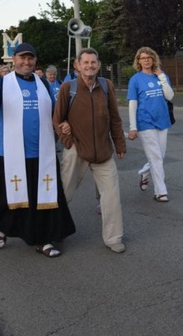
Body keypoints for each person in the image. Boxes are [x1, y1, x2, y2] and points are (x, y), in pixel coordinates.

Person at [0, 43, 75, 258]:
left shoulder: (43, 82)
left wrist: (64, 124)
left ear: (35, 60)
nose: (26, 62)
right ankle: (1, 229)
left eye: (30, 58)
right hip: (11, 156)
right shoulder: (1, 83)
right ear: (14, 59)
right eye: (22, 58)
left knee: (43, 198)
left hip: (42, 153)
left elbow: (55, 112)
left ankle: (43, 239)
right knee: (5, 198)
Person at [53, 48, 127, 253]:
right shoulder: (69, 88)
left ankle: (113, 237)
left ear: (99, 65)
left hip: (103, 151)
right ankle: (55, 232)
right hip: (77, 149)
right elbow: (58, 119)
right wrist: (68, 141)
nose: (89, 66)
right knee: (64, 194)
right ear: (77, 65)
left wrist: (119, 144)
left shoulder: (106, 86)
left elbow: (115, 118)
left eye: (93, 62)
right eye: (85, 62)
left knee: (111, 195)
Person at [127, 47, 174, 202]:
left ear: (153, 59)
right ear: (138, 61)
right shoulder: (135, 80)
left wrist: (161, 77)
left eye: (149, 57)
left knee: (160, 156)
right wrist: (133, 127)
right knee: (155, 157)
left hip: (162, 121)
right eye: (143, 58)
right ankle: (160, 192)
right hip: (145, 122)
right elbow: (133, 104)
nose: (146, 60)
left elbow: (170, 96)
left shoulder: (161, 76)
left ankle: (144, 173)